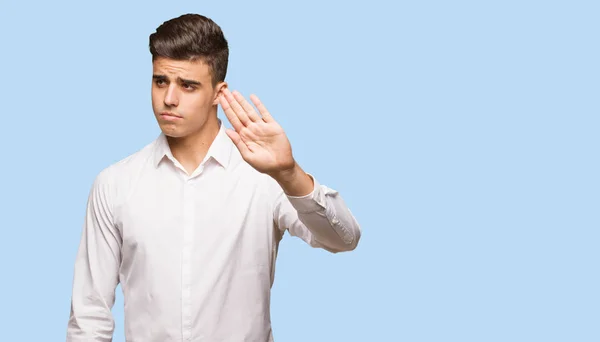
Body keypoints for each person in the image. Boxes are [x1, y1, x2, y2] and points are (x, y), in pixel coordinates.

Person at [66, 13, 361, 342]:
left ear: (218, 93)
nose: (169, 99)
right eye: (160, 81)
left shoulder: (265, 177)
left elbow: (344, 239)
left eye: (188, 85)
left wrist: (289, 173)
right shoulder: (115, 183)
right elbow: (89, 313)